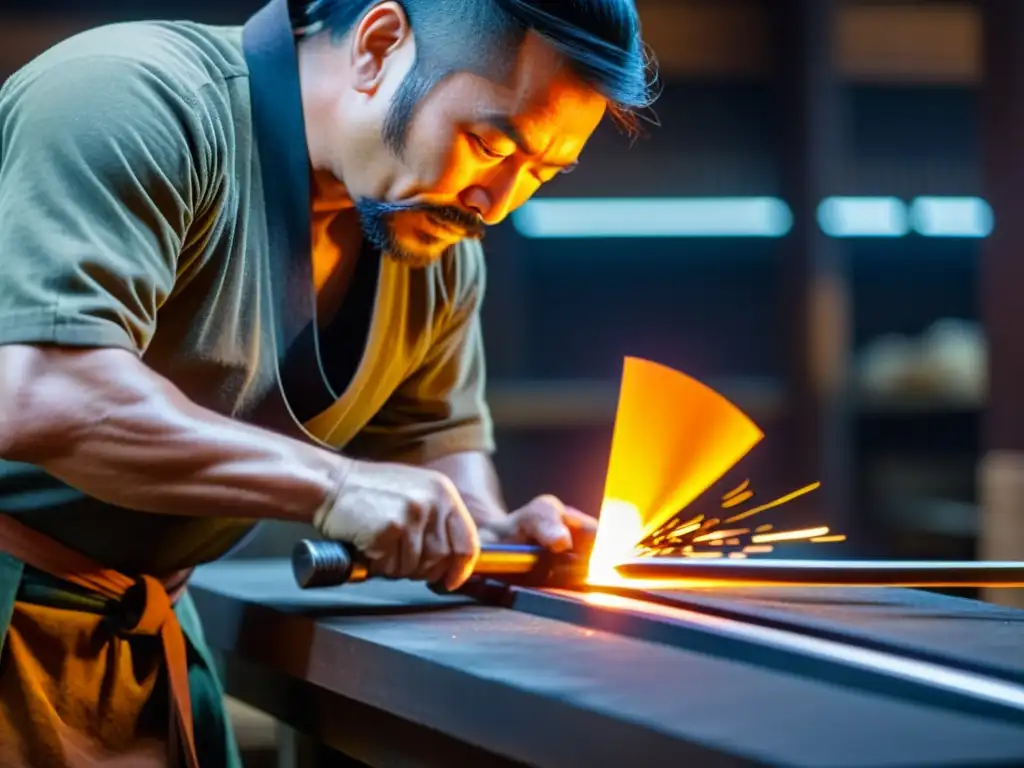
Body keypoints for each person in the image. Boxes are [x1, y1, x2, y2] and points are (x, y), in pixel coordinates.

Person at [0, 0, 657, 764]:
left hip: (144, 645)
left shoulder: (434, 254)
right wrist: (338, 488)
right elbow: (41, 393)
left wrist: (493, 534)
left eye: (540, 171)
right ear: (378, 45)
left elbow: (434, 466)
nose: (497, 203)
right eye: (487, 143)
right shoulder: (131, 98)